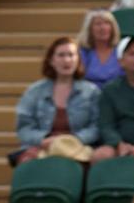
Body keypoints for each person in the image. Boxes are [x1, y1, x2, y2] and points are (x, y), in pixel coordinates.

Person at [13, 36, 100, 164]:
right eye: (61, 55)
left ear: (78, 60)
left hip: (78, 147)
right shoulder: (34, 91)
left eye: (71, 55)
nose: (67, 60)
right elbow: (24, 129)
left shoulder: (91, 91)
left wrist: (73, 140)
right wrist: (42, 140)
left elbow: (97, 126)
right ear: (51, 60)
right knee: (28, 163)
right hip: (43, 146)